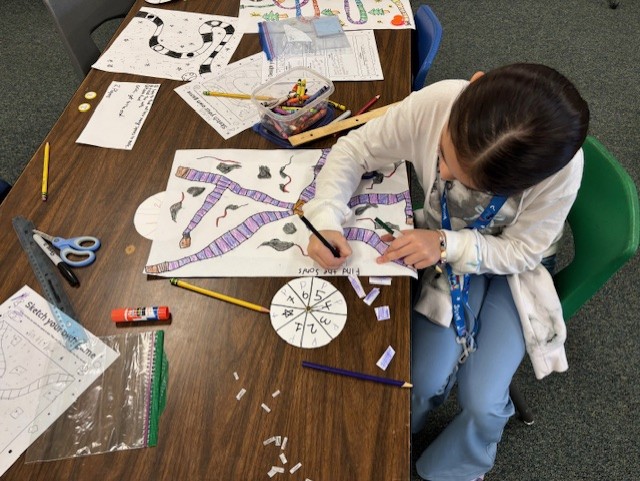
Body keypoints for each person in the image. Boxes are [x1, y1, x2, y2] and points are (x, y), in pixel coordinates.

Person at [302, 63, 590, 481]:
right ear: (473, 85)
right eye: (443, 154)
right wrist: (327, 216)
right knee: (420, 379)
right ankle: (404, 433)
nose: (441, 174)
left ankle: (463, 463)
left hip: (515, 266)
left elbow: (522, 251)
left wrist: (445, 244)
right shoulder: (440, 102)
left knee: (483, 400)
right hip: (447, 241)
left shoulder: (561, 173)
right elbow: (355, 149)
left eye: (463, 179)